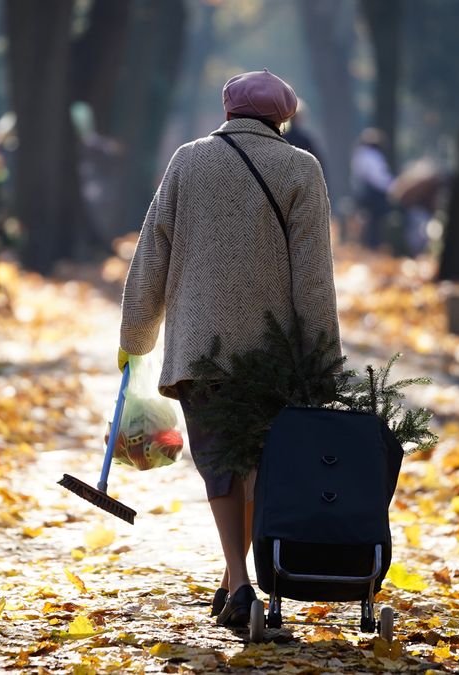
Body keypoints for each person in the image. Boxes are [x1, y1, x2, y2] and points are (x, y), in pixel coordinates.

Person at [117, 69, 341, 629]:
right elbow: (314, 278)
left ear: (228, 111)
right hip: (274, 350)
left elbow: (152, 254)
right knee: (260, 463)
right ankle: (240, 580)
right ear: (282, 117)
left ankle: (235, 581)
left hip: (199, 345)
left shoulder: (187, 161)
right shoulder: (301, 168)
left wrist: (134, 338)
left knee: (220, 462)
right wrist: (322, 361)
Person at [351, 128, 393, 249]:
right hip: (372, 195)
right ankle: (375, 243)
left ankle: (370, 242)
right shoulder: (372, 156)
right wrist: (392, 186)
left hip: (362, 193)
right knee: (377, 217)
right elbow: (379, 179)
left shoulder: (359, 154)